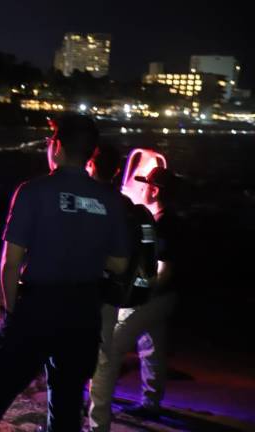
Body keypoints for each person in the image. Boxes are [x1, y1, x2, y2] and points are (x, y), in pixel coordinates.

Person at [0, 114, 129, 432]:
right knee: (66, 402)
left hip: (38, 307)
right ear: (90, 153)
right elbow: (119, 264)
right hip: (82, 312)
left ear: (57, 147)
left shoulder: (32, 191)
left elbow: (10, 261)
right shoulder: (112, 201)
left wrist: (11, 311)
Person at [88, 166, 180, 431]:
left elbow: (165, 269)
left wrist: (138, 297)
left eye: (146, 184)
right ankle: (151, 402)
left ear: (155, 190)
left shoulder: (163, 225)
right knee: (153, 347)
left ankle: (97, 415)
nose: (140, 188)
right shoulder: (166, 220)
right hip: (167, 299)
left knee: (111, 349)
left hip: (154, 298)